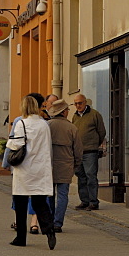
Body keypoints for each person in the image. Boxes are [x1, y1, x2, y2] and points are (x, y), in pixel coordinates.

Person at [6, 94, 56, 250]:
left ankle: (21, 237)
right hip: (41, 168)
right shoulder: (44, 125)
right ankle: (49, 231)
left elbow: (15, 145)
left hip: (24, 169)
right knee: (40, 203)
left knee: (20, 205)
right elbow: (48, 147)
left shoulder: (21, 123)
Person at [46, 98, 82, 233]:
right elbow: (78, 149)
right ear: (63, 112)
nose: (68, 111)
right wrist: (76, 164)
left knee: (49, 194)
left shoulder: (47, 125)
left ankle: (49, 220)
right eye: (67, 109)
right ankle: (58, 223)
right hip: (66, 164)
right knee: (62, 195)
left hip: (49, 165)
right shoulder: (72, 127)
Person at [71, 93, 106, 211]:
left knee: (90, 175)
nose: (78, 106)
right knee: (81, 176)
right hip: (78, 152)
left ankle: (93, 202)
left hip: (90, 151)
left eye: (80, 103)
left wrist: (95, 143)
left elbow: (101, 131)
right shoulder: (75, 117)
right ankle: (84, 201)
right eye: (75, 104)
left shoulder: (94, 115)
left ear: (85, 102)